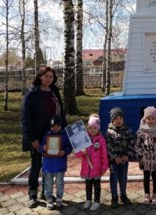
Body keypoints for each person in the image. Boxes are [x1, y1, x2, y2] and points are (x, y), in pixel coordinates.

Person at [21, 66, 66, 208]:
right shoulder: (32, 94)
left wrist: (64, 130)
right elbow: (25, 118)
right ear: (40, 76)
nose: (48, 79)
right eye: (46, 76)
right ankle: (32, 194)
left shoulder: (54, 92)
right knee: (36, 165)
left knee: (50, 166)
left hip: (53, 136)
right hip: (37, 136)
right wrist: (32, 138)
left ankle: (46, 193)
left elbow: (61, 113)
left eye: (51, 77)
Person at [75, 114, 109, 211]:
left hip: (97, 169)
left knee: (97, 186)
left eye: (95, 127)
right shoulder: (84, 138)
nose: (92, 130)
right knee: (88, 185)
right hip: (87, 168)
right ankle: (88, 200)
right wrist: (82, 152)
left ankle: (97, 201)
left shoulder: (101, 140)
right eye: (90, 128)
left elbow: (104, 155)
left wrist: (104, 167)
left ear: (98, 128)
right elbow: (77, 154)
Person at [135, 106, 156, 205]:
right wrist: (140, 156)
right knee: (146, 177)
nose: (151, 120)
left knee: (155, 176)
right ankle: (147, 194)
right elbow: (137, 145)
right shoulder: (140, 132)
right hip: (145, 159)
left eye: (153, 118)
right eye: (148, 118)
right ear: (144, 119)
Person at [105, 107, 135, 209]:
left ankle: (123, 195)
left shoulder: (128, 130)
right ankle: (114, 197)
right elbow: (108, 146)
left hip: (124, 160)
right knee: (114, 178)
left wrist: (127, 155)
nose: (118, 121)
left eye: (120, 118)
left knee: (123, 178)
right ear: (112, 120)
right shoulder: (109, 132)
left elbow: (131, 144)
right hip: (114, 161)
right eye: (116, 119)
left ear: (123, 119)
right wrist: (115, 157)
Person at [41, 115, 72, 210]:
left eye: (58, 126)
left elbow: (69, 147)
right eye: (53, 126)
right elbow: (41, 146)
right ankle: (49, 199)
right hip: (48, 164)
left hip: (60, 164)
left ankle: (59, 198)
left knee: (59, 182)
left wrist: (65, 151)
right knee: (48, 183)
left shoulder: (64, 135)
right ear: (50, 126)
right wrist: (43, 148)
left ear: (61, 126)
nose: (55, 128)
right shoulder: (46, 135)